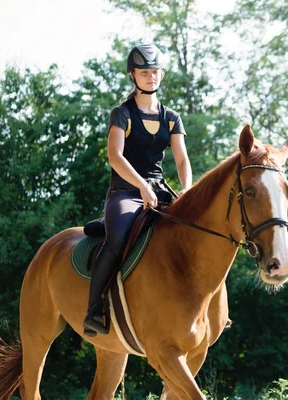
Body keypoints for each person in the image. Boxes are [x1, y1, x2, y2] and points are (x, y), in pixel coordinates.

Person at [83, 43, 192, 337]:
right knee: (117, 240)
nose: (151, 77)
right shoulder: (122, 113)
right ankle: (93, 310)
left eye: (155, 72)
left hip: (160, 190)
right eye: (145, 72)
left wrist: (188, 191)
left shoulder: (171, 118)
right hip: (125, 193)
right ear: (133, 75)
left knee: (195, 231)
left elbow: (181, 159)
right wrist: (142, 186)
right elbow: (115, 157)